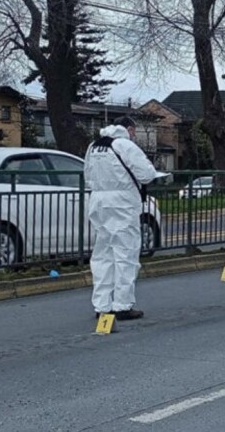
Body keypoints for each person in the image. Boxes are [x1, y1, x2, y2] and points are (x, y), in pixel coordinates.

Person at [84, 116, 157, 322]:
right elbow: (147, 174)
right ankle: (122, 305)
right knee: (125, 254)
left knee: (102, 254)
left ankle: (101, 304)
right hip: (122, 202)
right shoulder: (124, 145)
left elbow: (87, 176)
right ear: (130, 129)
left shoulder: (94, 146)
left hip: (98, 200)